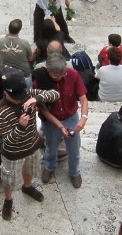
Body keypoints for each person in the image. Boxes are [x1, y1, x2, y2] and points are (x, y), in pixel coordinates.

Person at [0, 70, 59, 220]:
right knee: (8, 179)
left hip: (32, 145)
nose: (19, 100)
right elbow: (8, 139)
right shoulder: (0, 110)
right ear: (6, 93)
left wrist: (36, 98)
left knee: (29, 170)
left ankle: (27, 187)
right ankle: (8, 200)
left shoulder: (27, 94)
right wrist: (21, 126)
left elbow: (55, 94)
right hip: (13, 152)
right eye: (15, 97)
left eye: (20, 96)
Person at [33, 54, 89, 188]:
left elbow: (83, 98)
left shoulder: (73, 74)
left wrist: (83, 118)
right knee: (51, 148)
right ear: (49, 71)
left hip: (71, 118)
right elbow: (44, 110)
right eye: (57, 75)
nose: (63, 76)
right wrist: (60, 127)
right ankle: (50, 167)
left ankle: (75, 172)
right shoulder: (39, 81)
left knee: (74, 149)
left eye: (63, 72)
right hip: (52, 120)